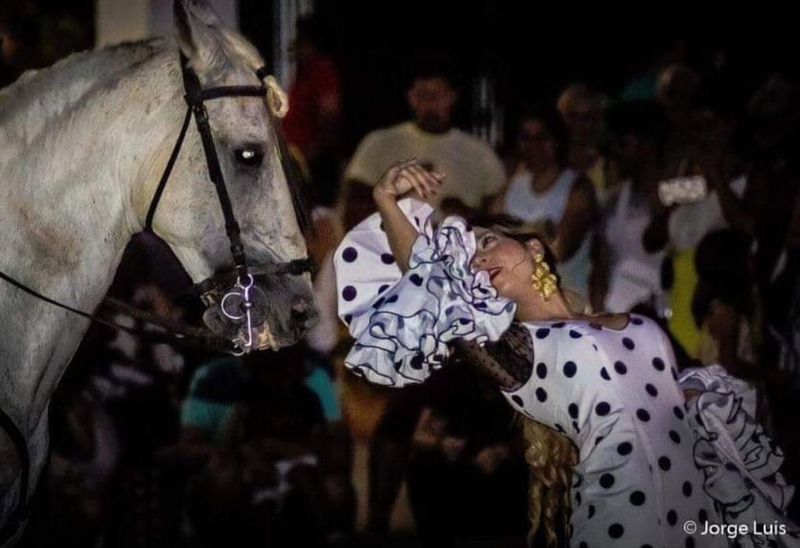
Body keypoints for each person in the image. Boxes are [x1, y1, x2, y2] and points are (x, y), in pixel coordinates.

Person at [334, 159, 800, 547]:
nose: (478, 258)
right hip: (624, 522)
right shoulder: (519, 352)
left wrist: (695, 397)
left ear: (534, 248)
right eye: (469, 258)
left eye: (489, 241)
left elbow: (682, 389)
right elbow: (433, 285)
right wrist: (386, 202)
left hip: (695, 515)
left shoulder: (628, 317)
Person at [340, 58, 506, 229]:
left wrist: (464, 213)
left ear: (452, 98)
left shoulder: (479, 153)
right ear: (411, 98)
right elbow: (353, 207)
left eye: (438, 96)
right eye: (423, 95)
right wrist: (396, 196)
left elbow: (498, 214)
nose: (431, 104)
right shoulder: (379, 143)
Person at [499, 109, 597, 301]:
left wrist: (515, 236)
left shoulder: (578, 188)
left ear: (557, 141)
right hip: (521, 303)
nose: (533, 146)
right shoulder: (512, 185)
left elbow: (560, 250)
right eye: (526, 138)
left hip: (566, 300)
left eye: (542, 137)